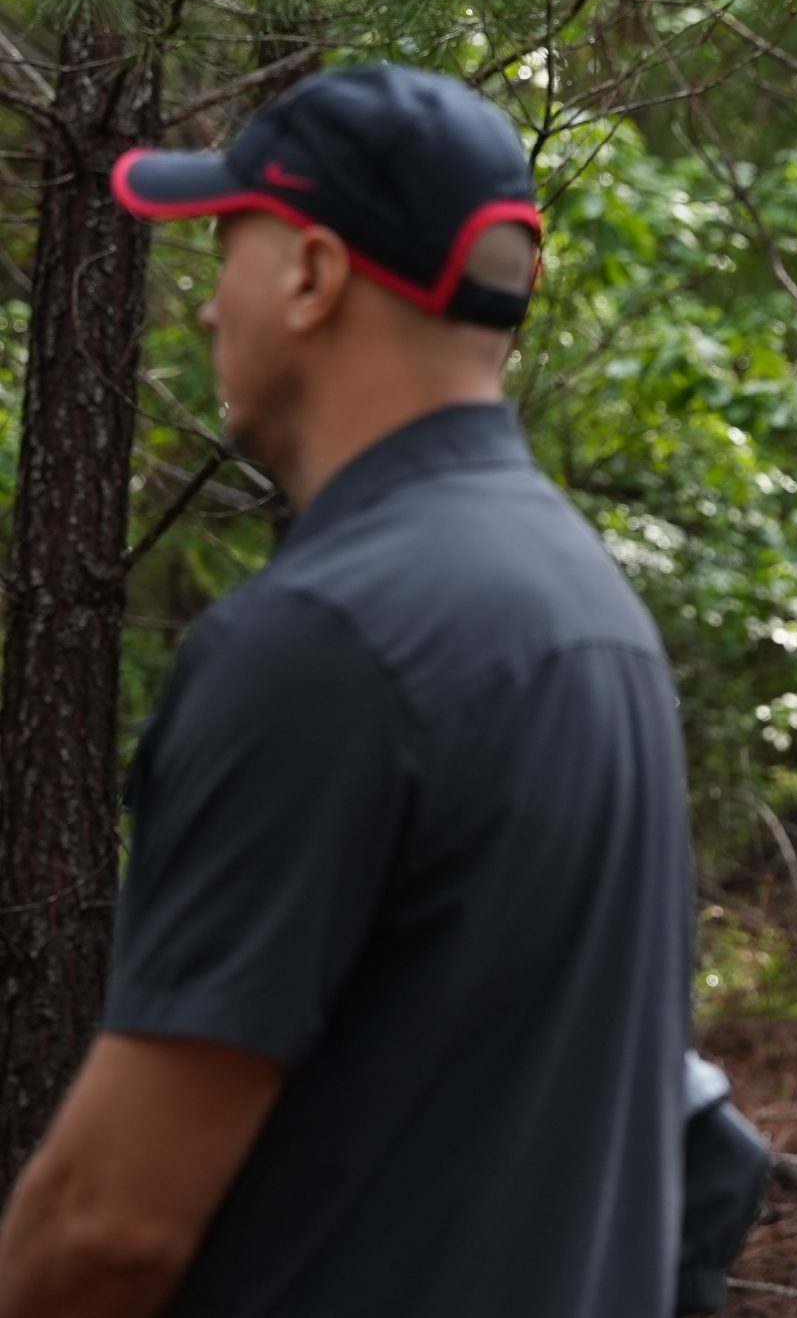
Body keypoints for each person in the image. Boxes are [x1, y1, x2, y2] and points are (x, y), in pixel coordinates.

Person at [0, 65, 696, 1318]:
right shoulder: (592, 613)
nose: (206, 304)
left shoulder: (327, 644)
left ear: (312, 277)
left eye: (229, 244)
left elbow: (109, 1227)